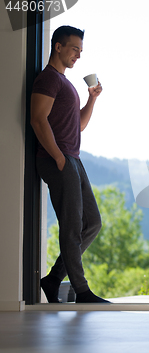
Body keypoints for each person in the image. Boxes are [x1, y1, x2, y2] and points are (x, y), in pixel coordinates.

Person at [31, 26, 108, 303]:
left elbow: (80, 125)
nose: (78, 54)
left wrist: (92, 98)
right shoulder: (48, 79)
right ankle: (82, 290)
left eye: (80, 50)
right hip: (59, 159)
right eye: (74, 48)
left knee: (92, 223)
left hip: (73, 159)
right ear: (58, 47)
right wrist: (59, 158)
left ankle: (52, 280)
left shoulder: (66, 83)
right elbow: (38, 120)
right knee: (72, 226)